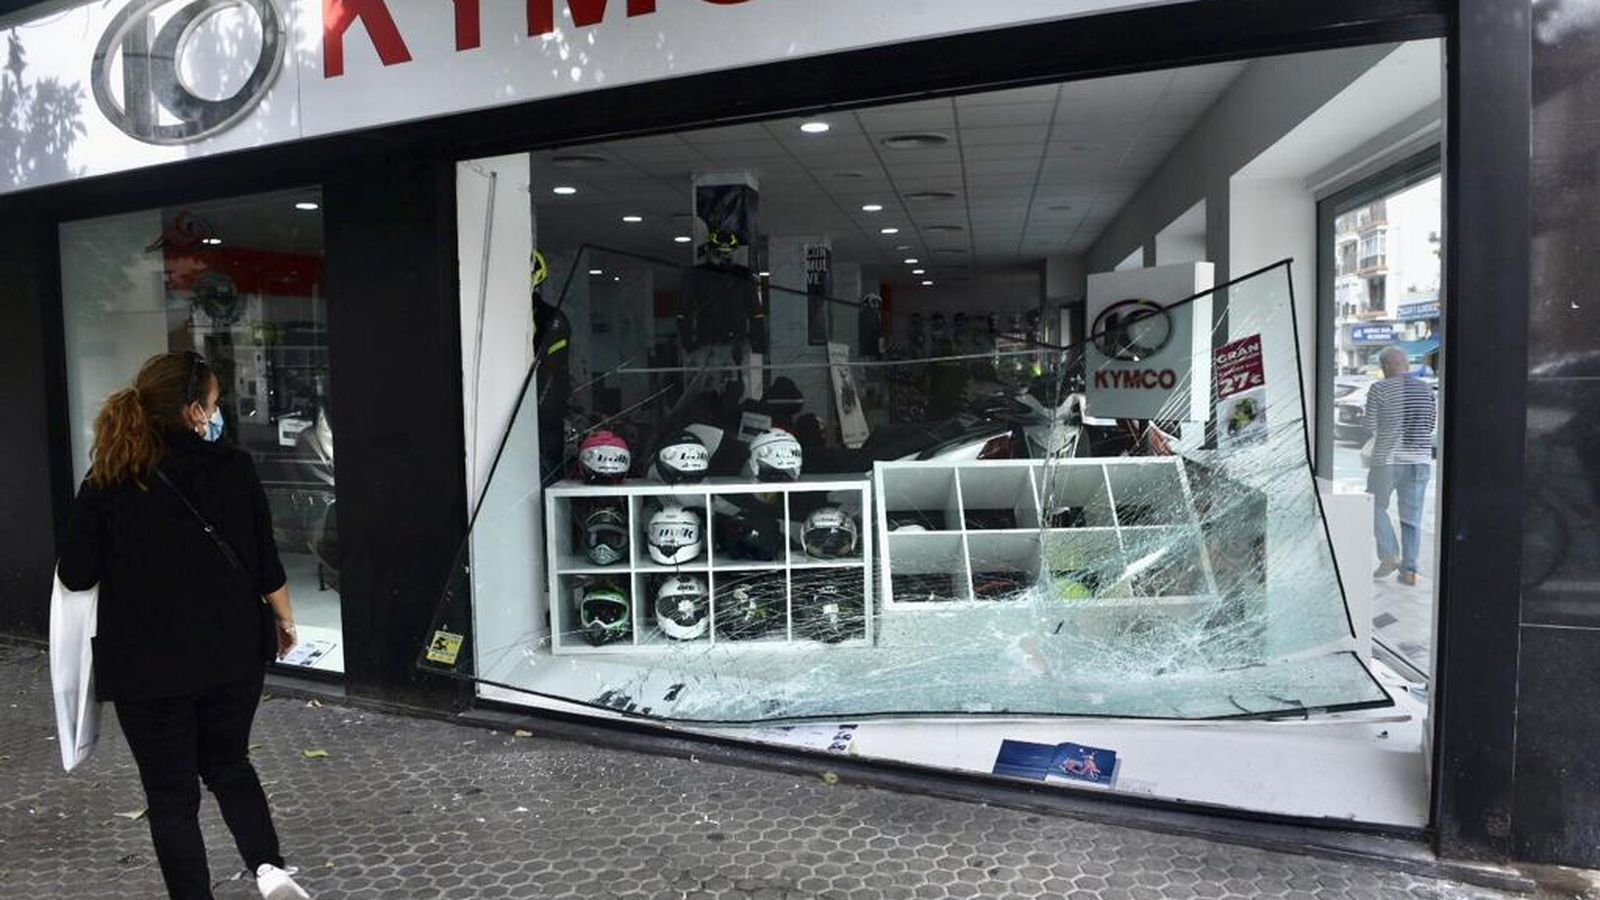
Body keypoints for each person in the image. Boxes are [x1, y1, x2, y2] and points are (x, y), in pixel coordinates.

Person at [57, 351, 312, 900]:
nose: (216, 415)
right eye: (215, 404)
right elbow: (266, 565)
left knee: (171, 798)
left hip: (146, 667)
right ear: (195, 411)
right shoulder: (234, 466)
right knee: (229, 763)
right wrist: (286, 621)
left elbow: (76, 575)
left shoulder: (108, 478)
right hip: (232, 655)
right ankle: (270, 870)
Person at [1365, 345, 1438, 586]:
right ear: (1406, 365)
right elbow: (1430, 425)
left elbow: (1370, 425)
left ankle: (1389, 555)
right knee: (1412, 518)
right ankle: (1409, 572)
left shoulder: (1379, 388)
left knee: (1374, 505)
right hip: (1419, 461)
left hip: (1387, 460)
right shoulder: (1426, 389)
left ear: (1385, 366)